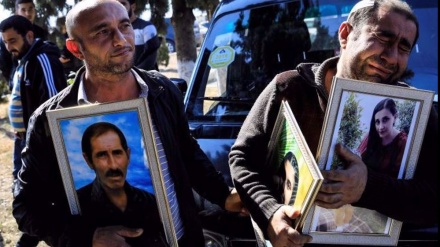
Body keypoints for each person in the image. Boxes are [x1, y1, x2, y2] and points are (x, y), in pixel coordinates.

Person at [12, 1, 245, 246]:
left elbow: (187, 154)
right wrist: (87, 237)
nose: (121, 40)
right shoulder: (49, 121)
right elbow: (25, 206)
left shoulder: (162, 90)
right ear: (75, 48)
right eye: (102, 32)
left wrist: (223, 195)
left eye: (125, 26)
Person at [229, 0, 438, 246]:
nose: (391, 57)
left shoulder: (419, 114)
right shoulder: (290, 88)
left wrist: (367, 187)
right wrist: (270, 213)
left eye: (404, 47)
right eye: (383, 38)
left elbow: (433, 200)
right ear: (345, 35)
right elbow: (242, 161)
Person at [0, 14, 67, 247]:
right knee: (28, 197)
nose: (9, 47)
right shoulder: (24, 59)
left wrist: (43, 146)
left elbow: (53, 105)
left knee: (34, 199)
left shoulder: (41, 59)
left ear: (29, 35)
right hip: (24, 141)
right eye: (5, 42)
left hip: (40, 145)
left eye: (13, 41)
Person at [58, 122, 167, 246]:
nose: (113, 165)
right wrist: (88, 238)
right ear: (88, 161)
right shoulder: (75, 204)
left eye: (117, 153)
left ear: (128, 155)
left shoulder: (152, 202)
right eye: (102, 155)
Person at [0, 0, 49, 89]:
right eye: (23, 10)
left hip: (40, 80)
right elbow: (4, 63)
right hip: (17, 82)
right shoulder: (7, 34)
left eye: (30, 9)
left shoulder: (41, 32)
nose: (28, 13)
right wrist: (12, 82)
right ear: (17, 12)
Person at [357, 97, 407, 178]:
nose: (380, 127)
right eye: (377, 122)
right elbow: (357, 160)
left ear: (395, 117)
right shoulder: (371, 137)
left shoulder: (403, 143)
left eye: (385, 120)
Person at [117, 0, 161, 71]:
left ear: (133, 6)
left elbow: (150, 58)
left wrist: (133, 74)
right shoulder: (116, 30)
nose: (119, 8)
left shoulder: (147, 27)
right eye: (116, 4)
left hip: (145, 78)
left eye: (123, 4)